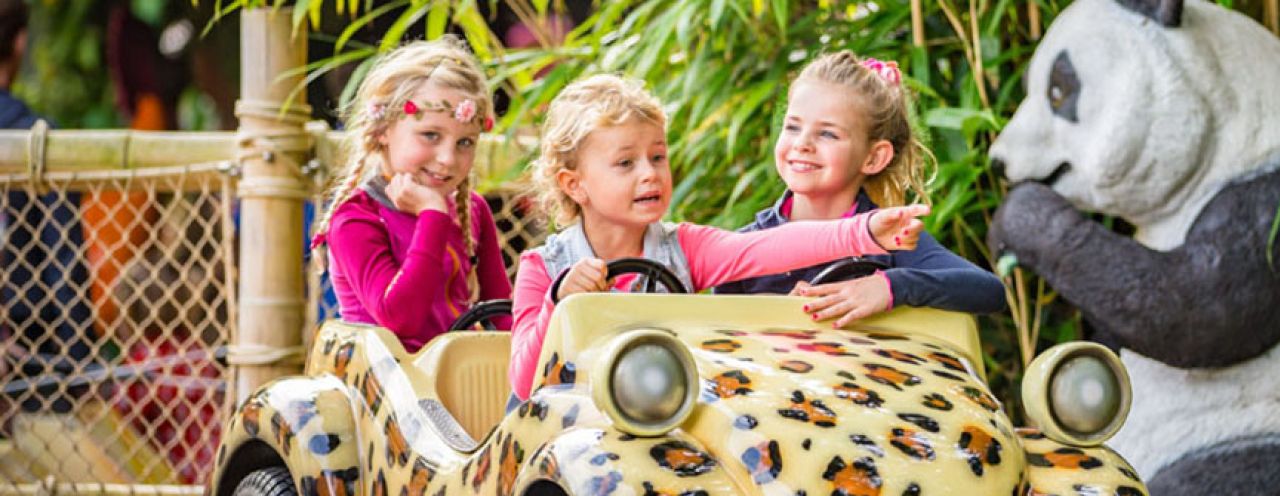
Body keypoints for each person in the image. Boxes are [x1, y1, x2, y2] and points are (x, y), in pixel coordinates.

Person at [508, 74, 931, 399]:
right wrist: (558, 301)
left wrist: (866, 231)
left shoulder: (683, 248)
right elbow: (524, 383)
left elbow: (768, 247)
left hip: (656, 423)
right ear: (575, 184)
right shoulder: (543, 268)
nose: (650, 173)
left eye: (657, 157)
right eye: (625, 163)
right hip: (566, 432)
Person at [717, 52, 1005, 327]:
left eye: (827, 133)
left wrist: (889, 287)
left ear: (873, 158)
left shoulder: (888, 238)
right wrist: (775, 317)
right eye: (792, 127)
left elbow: (989, 291)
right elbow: (716, 345)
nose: (801, 143)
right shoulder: (746, 246)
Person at [314, 36, 512, 352]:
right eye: (430, 135)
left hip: (461, 377)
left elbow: (503, 315)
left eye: (465, 142)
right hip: (383, 388)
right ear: (382, 131)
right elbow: (399, 319)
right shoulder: (355, 218)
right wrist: (433, 217)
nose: (448, 158)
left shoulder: (473, 209)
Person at [0, 0, 96, 387]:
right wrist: (80, 369)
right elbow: (64, 260)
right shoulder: (38, 138)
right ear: (20, 43)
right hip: (29, 351)